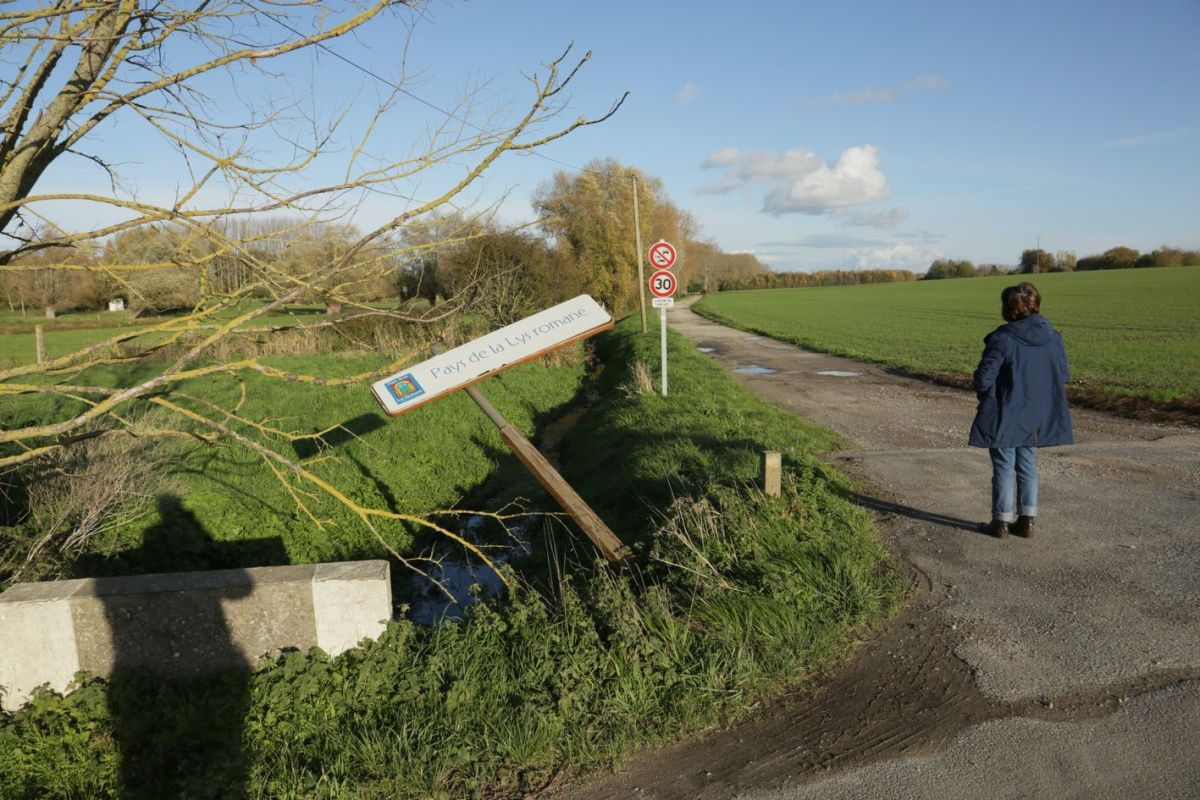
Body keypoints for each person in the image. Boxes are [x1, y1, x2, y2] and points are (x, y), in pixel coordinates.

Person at [968, 282, 1073, 538]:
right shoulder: (1054, 337)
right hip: (1037, 412)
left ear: (1008, 308)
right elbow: (1063, 375)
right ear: (1036, 303)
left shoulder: (1002, 339)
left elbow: (983, 379)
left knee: (1004, 466)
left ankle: (1000, 522)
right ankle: (1027, 520)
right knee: (1027, 464)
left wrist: (989, 395)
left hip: (1005, 410)